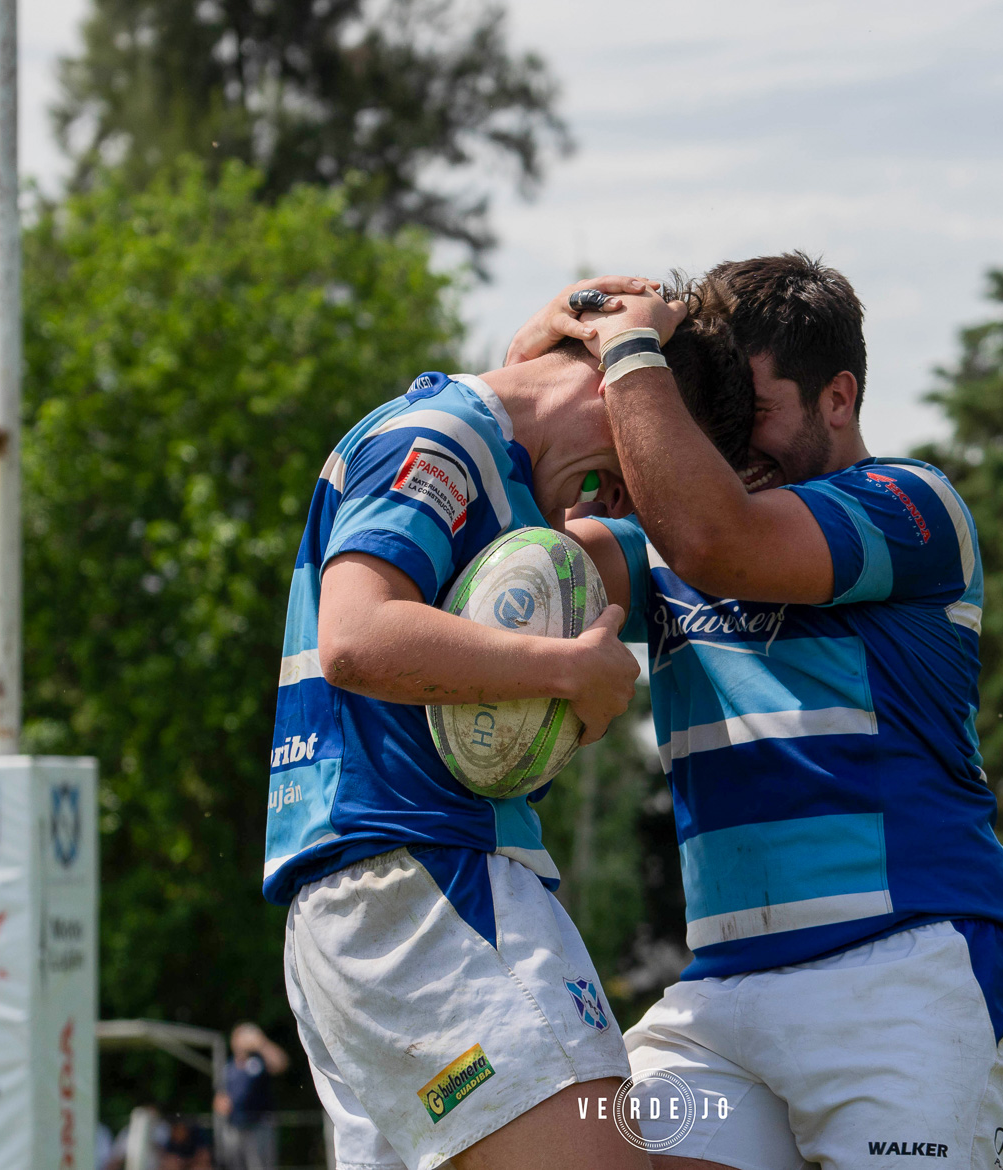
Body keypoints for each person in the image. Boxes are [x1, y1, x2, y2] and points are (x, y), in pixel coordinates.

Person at [515, 254, 1003, 1169]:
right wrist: (544, 352)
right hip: (722, 1000)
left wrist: (634, 347)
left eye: (749, 416)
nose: (723, 447)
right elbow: (520, 569)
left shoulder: (911, 507)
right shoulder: (672, 538)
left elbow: (723, 541)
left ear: (839, 398)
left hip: (905, 978)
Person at [265, 285, 757, 1170]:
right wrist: (568, 671)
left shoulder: (485, 457)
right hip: (424, 878)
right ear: (626, 387)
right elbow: (355, 635)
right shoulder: (444, 438)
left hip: (381, 893)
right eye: (647, 465)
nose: (629, 507)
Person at [214, 1023, 290, 1170]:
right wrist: (221, 1104)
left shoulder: (260, 1061)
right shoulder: (228, 1067)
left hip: (259, 1125)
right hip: (234, 1127)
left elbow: (281, 1064)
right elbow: (219, 1097)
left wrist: (261, 1043)